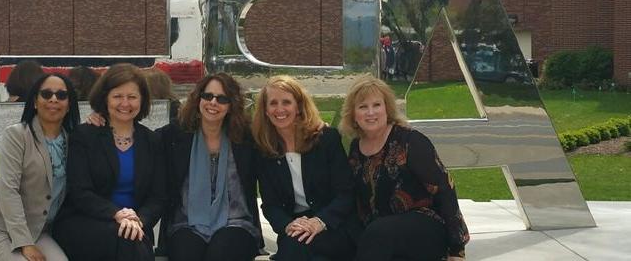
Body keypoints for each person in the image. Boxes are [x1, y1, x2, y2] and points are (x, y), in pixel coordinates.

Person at [339, 76, 469, 261]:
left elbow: (444, 189)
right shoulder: (354, 148)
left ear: (387, 108)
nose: (370, 112)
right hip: (381, 237)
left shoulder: (410, 141)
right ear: (353, 114)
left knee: (379, 233)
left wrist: (457, 250)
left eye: (377, 105)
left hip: (424, 229)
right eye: (362, 107)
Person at [53, 63, 166, 261]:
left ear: (142, 100)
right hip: (85, 222)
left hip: (135, 226)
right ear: (105, 98)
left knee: (131, 240)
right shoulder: (85, 136)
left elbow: (158, 197)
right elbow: (80, 192)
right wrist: (117, 215)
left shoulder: (152, 141)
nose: (125, 103)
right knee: (130, 244)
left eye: (132, 97)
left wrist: (137, 220)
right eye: (117, 96)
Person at [0, 73, 80, 261]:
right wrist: (24, 243)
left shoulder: (75, 140)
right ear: (35, 102)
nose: (54, 99)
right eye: (46, 94)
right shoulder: (17, 135)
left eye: (61, 95)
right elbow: (8, 191)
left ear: (69, 105)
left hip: (38, 231)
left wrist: (98, 118)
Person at [156, 73, 261, 261]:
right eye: (207, 96)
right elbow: (136, 137)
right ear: (198, 98)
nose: (213, 102)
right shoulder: (175, 135)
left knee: (220, 254)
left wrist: (312, 129)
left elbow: (278, 139)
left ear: (231, 105)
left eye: (222, 99)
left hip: (236, 223)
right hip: (186, 224)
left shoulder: (246, 139)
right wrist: (102, 119)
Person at [252, 76, 356, 261]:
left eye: (286, 102)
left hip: (332, 224)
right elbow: (270, 205)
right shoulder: (264, 150)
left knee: (295, 249)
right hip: (295, 227)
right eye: (273, 103)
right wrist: (288, 225)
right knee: (298, 246)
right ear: (265, 111)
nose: (280, 109)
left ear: (298, 107)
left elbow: (346, 193)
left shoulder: (326, 139)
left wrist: (319, 222)